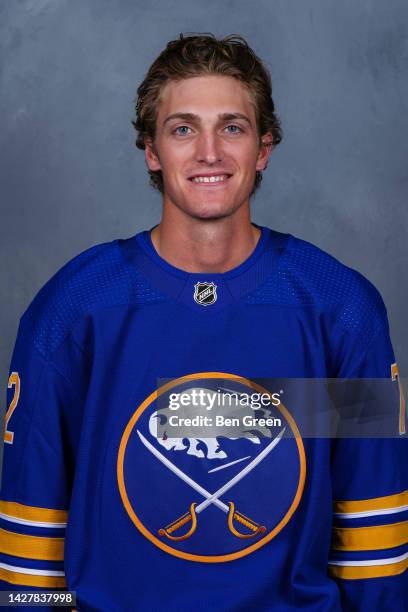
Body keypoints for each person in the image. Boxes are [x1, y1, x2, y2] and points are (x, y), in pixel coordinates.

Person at [0, 33, 406, 611]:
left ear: (264, 148)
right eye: (183, 128)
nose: (209, 152)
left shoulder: (341, 308)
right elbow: (30, 529)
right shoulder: (74, 307)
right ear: (151, 149)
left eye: (233, 127)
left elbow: (373, 527)